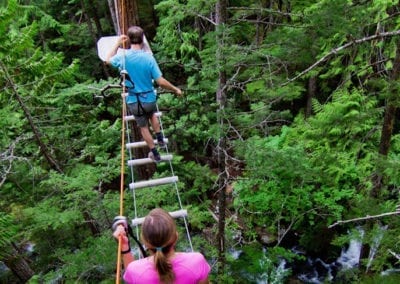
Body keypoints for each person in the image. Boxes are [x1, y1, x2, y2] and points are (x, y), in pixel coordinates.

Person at [105, 26, 182, 162]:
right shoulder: (148, 58)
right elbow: (160, 81)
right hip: (149, 98)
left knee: (143, 127)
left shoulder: (122, 57)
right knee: (152, 115)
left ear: (128, 40)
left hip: (134, 100)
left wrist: (117, 44)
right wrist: (175, 89)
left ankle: (155, 153)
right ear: (142, 39)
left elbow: (107, 60)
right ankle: (160, 138)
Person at [113, 208, 211, 284]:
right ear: (176, 237)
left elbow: (133, 277)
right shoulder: (196, 261)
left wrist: (124, 246)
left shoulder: (135, 271)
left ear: (145, 242)